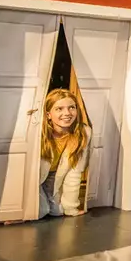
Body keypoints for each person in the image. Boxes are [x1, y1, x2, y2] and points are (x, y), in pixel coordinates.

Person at [39, 88, 91, 218]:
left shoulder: (83, 133)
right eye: (59, 109)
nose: (67, 113)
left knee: (58, 212)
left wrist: (71, 207)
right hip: (33, 179)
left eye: (71, 107)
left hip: (54, 176)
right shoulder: (39, 133)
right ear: (48, 114)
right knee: (40, 211)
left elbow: (74, 171)